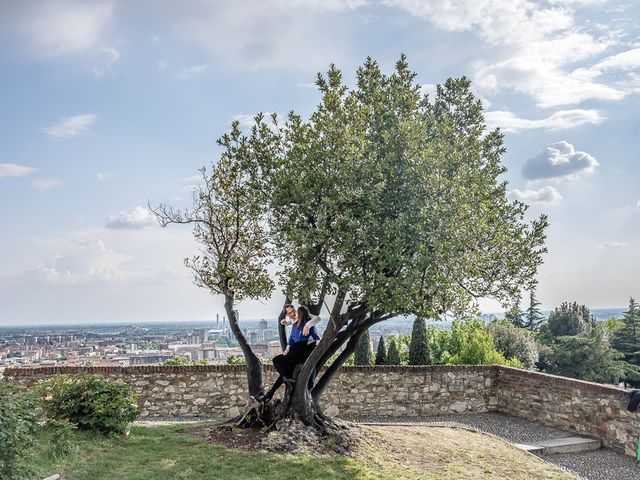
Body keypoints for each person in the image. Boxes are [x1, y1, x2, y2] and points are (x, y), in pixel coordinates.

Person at [260, 304, 321, 402]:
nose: (292, 313)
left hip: (303, 350)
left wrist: (307, 326)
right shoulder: (294, 323)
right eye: (290, 313)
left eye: (293, 311)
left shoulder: (308, 320)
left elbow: (317, 320)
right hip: (296, 350)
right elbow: (291, 337)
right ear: (288, 315)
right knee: (286, 373)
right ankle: (272, 392)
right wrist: (287, 348)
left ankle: (275, 390)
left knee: (277, 361)